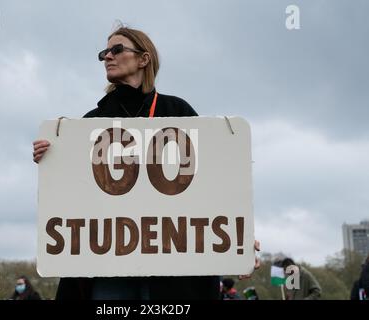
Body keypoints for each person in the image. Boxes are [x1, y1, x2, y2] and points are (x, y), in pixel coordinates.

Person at [33, 25, 260, 299]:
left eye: (117, 50)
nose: (107, 56)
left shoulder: (178, 112)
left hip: (172, 264)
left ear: (144, 59)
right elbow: (76, 192)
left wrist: (240, 238)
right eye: (104, 52)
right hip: (109, 267)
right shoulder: (90, 123)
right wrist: (53, 160)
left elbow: (210, 182)